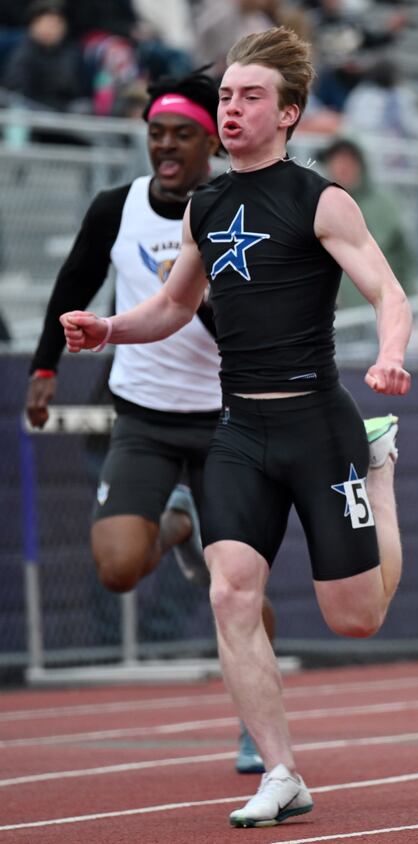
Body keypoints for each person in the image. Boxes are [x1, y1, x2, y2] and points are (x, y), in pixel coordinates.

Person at [59, 26, 412, 829]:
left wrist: (390, 354)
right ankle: (281, 770)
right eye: (225, 96)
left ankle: (379, 465)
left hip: (320, 426)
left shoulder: (320, 198)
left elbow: (388, 292)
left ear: (288, 113)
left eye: (250, 97)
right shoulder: (208, 206)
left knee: (355, 617)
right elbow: (175, 305)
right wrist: (107, 329)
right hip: (240, 430)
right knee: (230, 592)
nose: (231, 110)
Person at [25, 67, 270, 775]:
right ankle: (180, 520)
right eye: (156, 133)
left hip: (226, 423)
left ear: (211, 143)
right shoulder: (118, 206)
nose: (166, 147)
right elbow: (72, 286)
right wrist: (45, 370)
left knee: (239, 588)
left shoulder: (235, 209)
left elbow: (256, 324)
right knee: (117, 568)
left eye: (182, 136)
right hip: (141, 417)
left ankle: (258, 725)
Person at [319, 136, 417, 308]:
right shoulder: (316, 204)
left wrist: (410, 305)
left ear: (360, 165)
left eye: (348, 161)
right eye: (336, 161)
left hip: (375, 312)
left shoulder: (385, 205)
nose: (342, 168)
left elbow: (405, 258)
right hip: (328, 318)